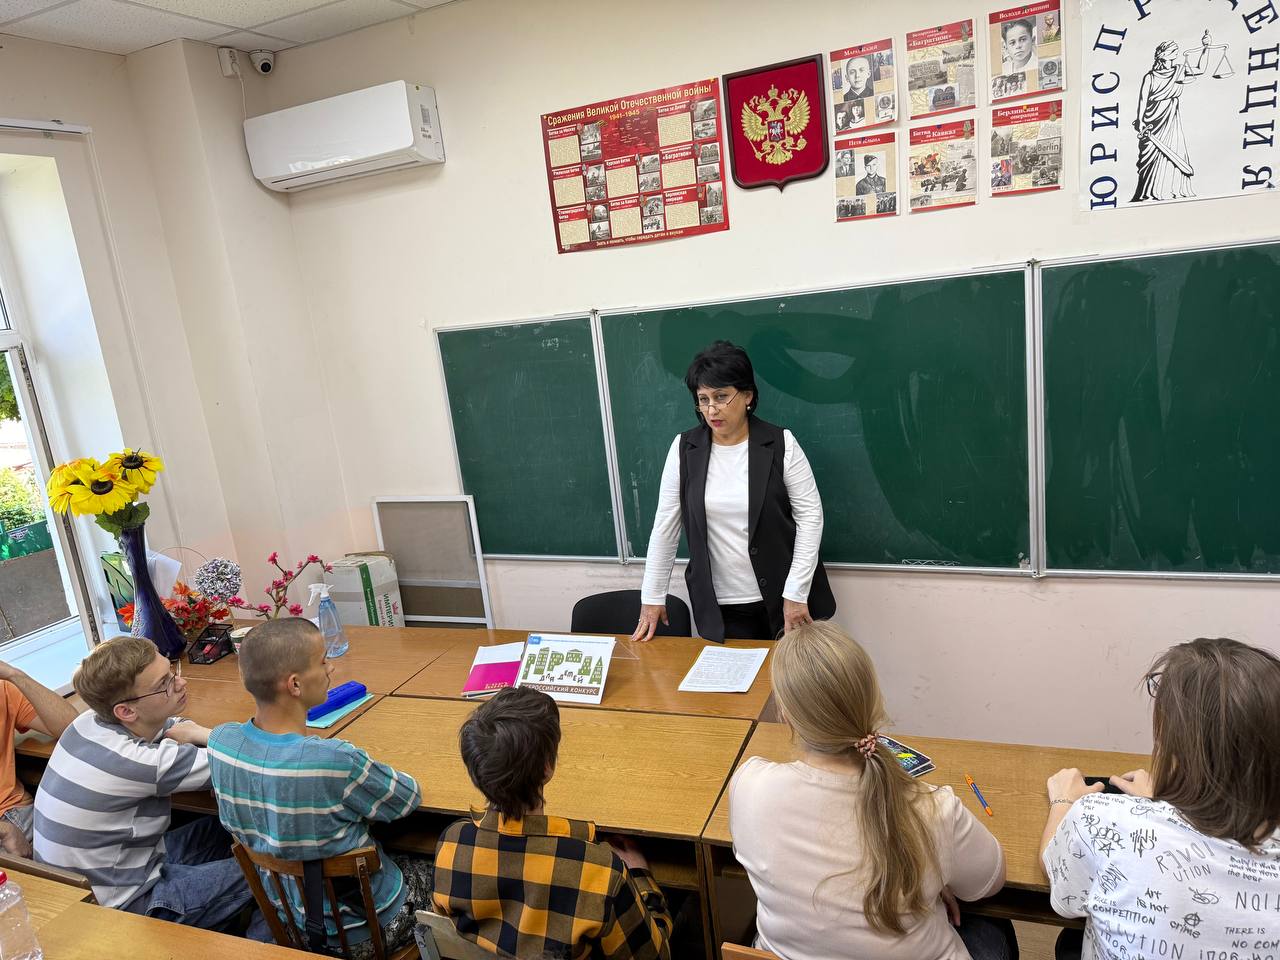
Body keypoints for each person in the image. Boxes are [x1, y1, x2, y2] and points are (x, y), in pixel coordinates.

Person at [730, 622, 1012, 959]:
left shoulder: (750, 787)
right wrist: (936, 879)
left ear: (786, 716)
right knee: (993, 927)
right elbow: (989, 882)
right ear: (872, 699)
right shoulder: (935, 809)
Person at [1042, 637, 1280, 960]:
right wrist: (1163, 806)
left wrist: (1063, 802)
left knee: (1068, 940)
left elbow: (1056, 869)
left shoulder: (1103, 819)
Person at [208, 618, 429, 960]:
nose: (331, 668)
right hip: (366, 930)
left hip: (291, 925)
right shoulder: (335, 760)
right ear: (295, 684)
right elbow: (407, 798)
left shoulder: (220, 742)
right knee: (442, 859)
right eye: (323, 661)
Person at [32, 636, 261, 934]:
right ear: (126, 711)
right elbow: (249, 761)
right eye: (165, 684)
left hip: (107, 879)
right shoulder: (140, 764)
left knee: (223, 828)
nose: (181, 683)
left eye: (172, 671)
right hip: (121, 913)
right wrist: (203, 734)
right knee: (275, 869)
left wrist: (189, 731)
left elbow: (171, 726)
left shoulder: (87, 723)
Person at [431, 687, 672, 959]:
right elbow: (657, 954)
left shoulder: (451, 845)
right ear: (547, 768)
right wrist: (640, 875)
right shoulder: (600, 872)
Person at [631, 340, 835, 643]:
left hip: (786, 597)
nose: (711, 409)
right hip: (723, 606)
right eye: (703, 399)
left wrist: (796, 591)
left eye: (721, 396)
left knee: (793, 674)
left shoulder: (781, 443)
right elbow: (665, 527)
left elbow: (810, 518)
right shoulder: (684, 449)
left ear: (747, 395)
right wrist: (652, 595)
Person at [0, 660, 77, 857]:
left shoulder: (3, 690)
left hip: (17, 814)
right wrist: (4, 830)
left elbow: (71, 728)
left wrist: (14, 674)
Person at [1131, 36, 1211, 202]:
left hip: (1170, 116)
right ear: (1162, 55)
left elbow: (1200, 69)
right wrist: (1140, 120)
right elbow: (1143, 99)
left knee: (1174, 146)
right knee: (1150, 155)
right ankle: (1149, 191)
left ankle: (1171, 189)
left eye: (1175, 50)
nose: (1176, 52)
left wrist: (1206, 48)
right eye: (1172, 50)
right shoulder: (1150, 77)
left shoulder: (1179, 70)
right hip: (1153, 119)